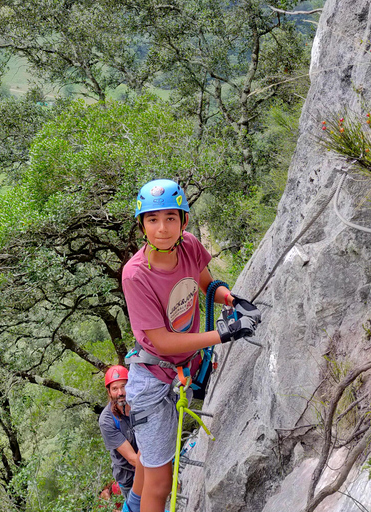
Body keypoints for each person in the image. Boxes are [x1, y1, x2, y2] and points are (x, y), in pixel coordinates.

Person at [121, 179, 261, 512]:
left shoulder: (189, 246)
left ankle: (129, 507)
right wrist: (223, 334)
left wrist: (231, 299)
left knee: (150, 461)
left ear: (183, 221)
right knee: (161, 481)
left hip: (183, 369)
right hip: (153, 381)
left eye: (171, 217)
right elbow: (161, 341)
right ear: (142, 224)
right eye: (153, 219)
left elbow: (203, 279)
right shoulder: (136, 275)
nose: (162, 228)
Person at [99, 365, 139, 501]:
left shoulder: (139, 404)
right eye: (115, 389)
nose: (120, 392)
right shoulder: (107, 420)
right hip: (128, 476)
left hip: (148, 459)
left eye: (124, 386)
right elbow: (132, 458)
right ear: (109, 392)